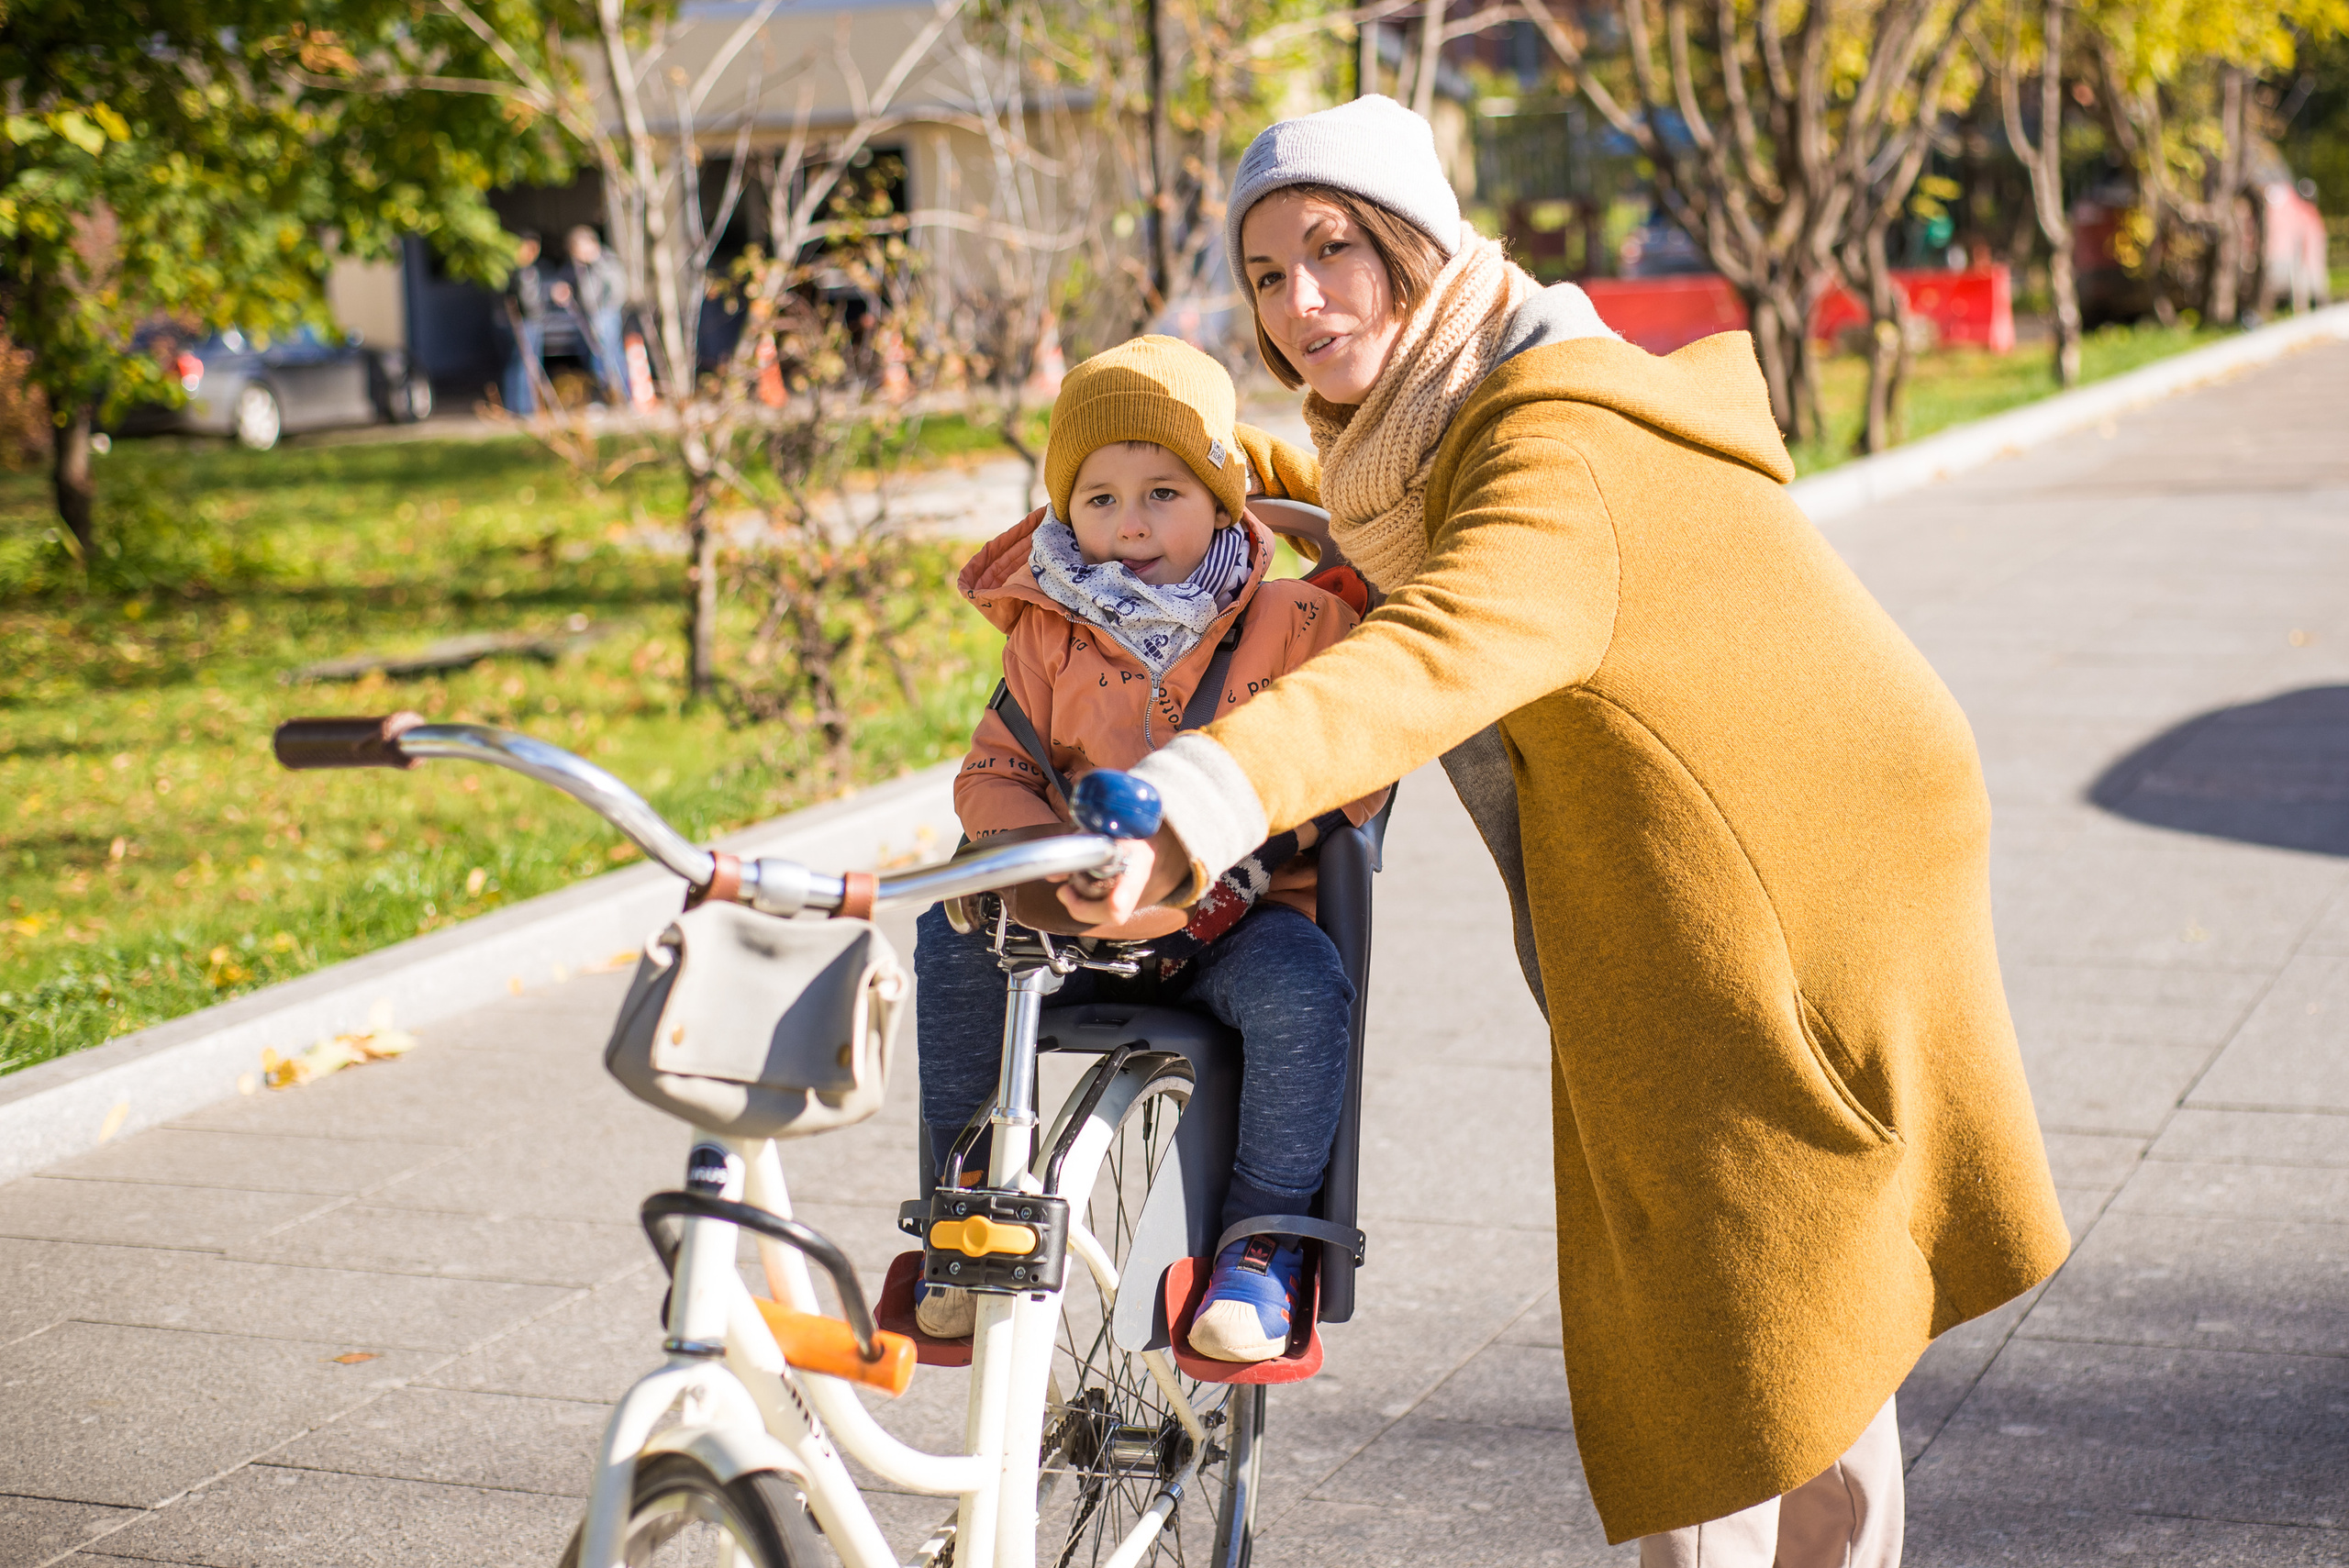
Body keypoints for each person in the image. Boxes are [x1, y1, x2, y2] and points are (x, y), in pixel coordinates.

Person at [1057, 95, 2071, 1565]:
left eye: (1335, 251)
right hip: (1740, 837)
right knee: (1749, 1295)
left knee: (1752, 1307)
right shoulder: (1454, 414)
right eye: (1268, 272)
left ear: (1419, 248)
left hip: (1800, 872)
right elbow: (1409, 540)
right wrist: (1255, 493)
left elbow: (1438, 643)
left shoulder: (1551, 447)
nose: (1300, 303)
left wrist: (1200, 796)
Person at [914, 335, 1387, 1362]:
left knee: (1303, 986)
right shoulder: (1049, 628)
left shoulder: (1296, 619)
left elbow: (1355, 757)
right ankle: (958, 1204)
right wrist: (1025, 855)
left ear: (1224, 504)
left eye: (1164, 492)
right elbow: (996, 764)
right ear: (1062, 512)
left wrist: (1258, 838)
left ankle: (1263, 1244)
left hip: (1235, 912)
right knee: (947, 942)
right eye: (1098, 498)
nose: (1128, 523)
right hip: (1079, 910)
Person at [552, 225, 628, 404]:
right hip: (588, 316)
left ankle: (622, 396)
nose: (575, 255)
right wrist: (561, 288)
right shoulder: (577, 265)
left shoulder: (606, 260)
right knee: (594, 356)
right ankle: (604, 396)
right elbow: (564, 279)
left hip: (606, 313)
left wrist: (606, 310)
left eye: (578, 249)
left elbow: (618, 288)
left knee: (610, 354)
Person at [499, 231, 548, 416]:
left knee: (521, 363)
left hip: (526, 321)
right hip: (525, 322)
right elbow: (528, 301)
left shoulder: (522, 270)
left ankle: (519, 407)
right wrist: (538, 313)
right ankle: (523, 408)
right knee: (524, 363)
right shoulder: (521, 271)